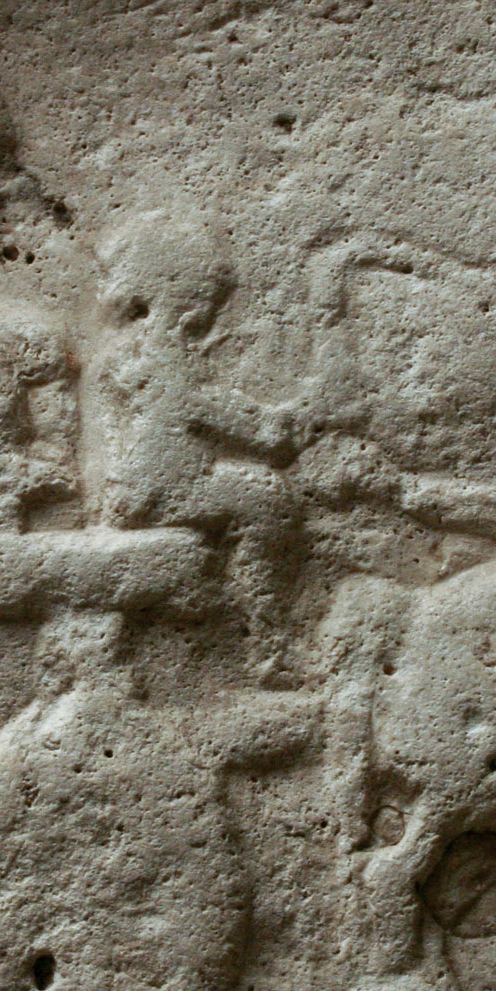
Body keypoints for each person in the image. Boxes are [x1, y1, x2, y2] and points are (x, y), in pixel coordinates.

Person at [92, 212, 302, 677]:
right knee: (267, 498)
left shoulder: (129, 354)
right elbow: (203, 409)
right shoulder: (163, 353)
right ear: (186, 303)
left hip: (131, 490)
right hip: (164, 491)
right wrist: (270, 429)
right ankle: (265, 638)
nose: (214, 316)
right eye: (210, 302)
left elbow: (198, 400)